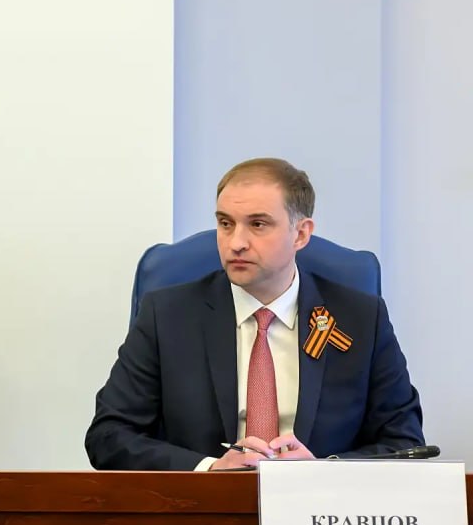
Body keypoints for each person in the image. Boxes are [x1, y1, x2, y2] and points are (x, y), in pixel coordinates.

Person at [86, 158, 423, 471]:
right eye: (225, 223)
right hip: (203, 507)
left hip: (320, 510)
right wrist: (210, 468)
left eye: (258, 224)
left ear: (301, 233)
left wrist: (323, 470)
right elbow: (109, 436)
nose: (236, 242)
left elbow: (405, 443)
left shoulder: (360, 319)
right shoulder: (167, 316)